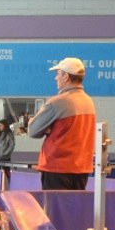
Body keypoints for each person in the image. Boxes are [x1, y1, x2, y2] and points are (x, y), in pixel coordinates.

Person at [28, 57, 96, 190]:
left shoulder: (57, 102)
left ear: (66, 77)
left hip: (58, 169)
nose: (56, 78)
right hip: (81, 169)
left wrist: (45, 127)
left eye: (58, 74)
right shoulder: (89, 102)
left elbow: (33, 130)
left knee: (54, 204)